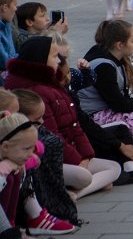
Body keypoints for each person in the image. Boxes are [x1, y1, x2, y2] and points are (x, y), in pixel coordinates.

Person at [3, 36, 121, 199]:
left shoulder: (52, 84)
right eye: (54, 56)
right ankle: (72, 192)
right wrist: (78, 160)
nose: (58, 61)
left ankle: (78, 192)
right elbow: (52, 135)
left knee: (113, 167)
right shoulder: (38, 91)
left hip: (71, 155)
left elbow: (75, 126)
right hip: (52, 159)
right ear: (40, 60)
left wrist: (85, 156)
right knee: (84, 176)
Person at [0, 111, 55, 239]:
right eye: (26, 149)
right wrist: (3, 171)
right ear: (5, 146)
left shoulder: (8, 155)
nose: (30, 154)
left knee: (14, 175)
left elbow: (37, 155)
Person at [0, 0, 18, 74]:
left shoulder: (6, 24)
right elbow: (5, 62)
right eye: (15, 5)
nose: (16, 9)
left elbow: (12, 54)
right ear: (5, 7)